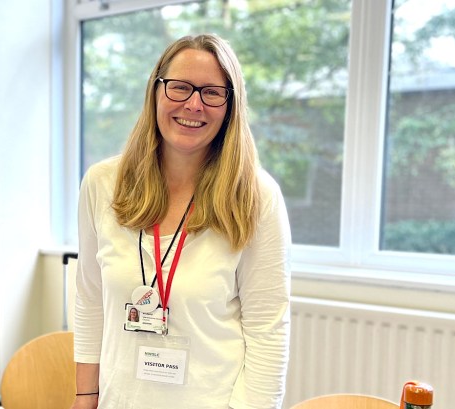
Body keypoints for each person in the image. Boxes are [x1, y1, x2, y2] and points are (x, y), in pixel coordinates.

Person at [71, 34, 291, 409]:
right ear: (155, 91)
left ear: (230, 106)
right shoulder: (102, 184)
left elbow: (269, 331)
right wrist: (85, 395)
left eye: (212, 92)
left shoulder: (256, 195)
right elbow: (90, 297)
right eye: (180, 87)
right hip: (119, 400)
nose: (194, 104)